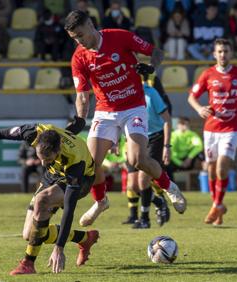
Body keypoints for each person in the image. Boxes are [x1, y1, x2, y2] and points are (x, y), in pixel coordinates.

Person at [65, 10, 187, 228]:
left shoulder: (120, 36)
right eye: (74, 38)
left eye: (80, 35)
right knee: (90, 164)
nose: (79, 41)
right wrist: (80, 120)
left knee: (138, 159)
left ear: (91, 25)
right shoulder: (79, 58)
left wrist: (152, 67)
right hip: (105, 111)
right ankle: (101, 202)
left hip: (133, 107)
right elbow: (82, 96)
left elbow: (156, 52)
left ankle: (170, 188)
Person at [0, 118, 99, 275]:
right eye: (40, 157)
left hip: (82, 179)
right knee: (30, 234)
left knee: (42, 200)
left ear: (59, 150)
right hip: (54, 174)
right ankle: (84, 238)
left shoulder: (75, 160)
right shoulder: (33, 132)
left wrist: (59, 247)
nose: (43, 163)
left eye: (48, 159)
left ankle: (28, 263)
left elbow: (69, 209)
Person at [188, 38, 237, 226]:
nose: (223, 54)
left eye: (226, 51)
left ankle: (217, 203)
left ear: (231, 53)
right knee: (210, 170)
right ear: (214, 54)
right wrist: (199, 109)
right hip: (211, 129)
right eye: (219, 51)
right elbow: (192, 97)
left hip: (231, 128)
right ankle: (218, 209)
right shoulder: (207, 74)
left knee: (221, 167)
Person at [124, 75, 172, 229]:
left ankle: (144, 219)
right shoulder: (123, 93)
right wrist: (117, 141)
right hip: (134, 139)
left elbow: (167, 120)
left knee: (143, 180)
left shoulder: (151, 93)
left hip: (154, 138)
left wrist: (167, 146)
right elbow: (121, 118)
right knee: (133, 185)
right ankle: (159, 202)